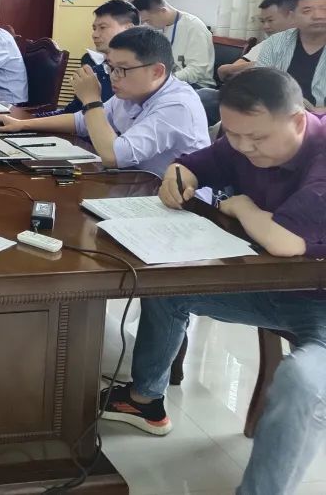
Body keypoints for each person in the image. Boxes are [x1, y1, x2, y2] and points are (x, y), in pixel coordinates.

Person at [102, 68, 326, 495]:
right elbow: (191, 165)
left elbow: (284, 242)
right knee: (169, 286)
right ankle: (144, 400)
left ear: (298, 120)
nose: (243, 148)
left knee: (301, 382)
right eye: (234, 135)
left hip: (320, 302)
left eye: (256, 138)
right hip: (273, 286)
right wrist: (178, 179)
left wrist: (241, 207)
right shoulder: (244, 139)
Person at [0, 27, 210, 177]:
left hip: (178, 204)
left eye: (121, 69)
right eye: (111, 67)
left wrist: (91, 99)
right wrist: (22, 124)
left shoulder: (177, 106)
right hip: (134, 185)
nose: (113, 76)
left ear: (157, 71)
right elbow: (81, 121)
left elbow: (114, 156)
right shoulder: (134, 91)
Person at [47, 0, 139, 115]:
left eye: (102, 27)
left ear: (129, 29)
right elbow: (73, 113)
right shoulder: (98, 69)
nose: (94, 35)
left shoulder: (139, 75)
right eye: (94, 29)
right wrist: (30, 120)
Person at [246, 0, 326, 112]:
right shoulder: (275, 42)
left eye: (324, 9)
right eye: (307, 11)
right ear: (293, 17)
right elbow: (260, 84)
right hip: (277, 113)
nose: (318, 16)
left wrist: (320, 112)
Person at [132, 0, 215, 88]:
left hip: (196, 86)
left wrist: (163, 81)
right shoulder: (160, 26)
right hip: (170, 82)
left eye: (148, 20)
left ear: (163, 11)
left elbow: (197, 70)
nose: (146, 24)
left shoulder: (194, 27)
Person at [217, 0, 296, 83]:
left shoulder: (301, 46)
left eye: (270, 20)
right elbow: (224, 72)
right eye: (262, 21)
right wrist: (263, 65)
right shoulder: (266, 44)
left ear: (291, 17)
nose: (265, 26)